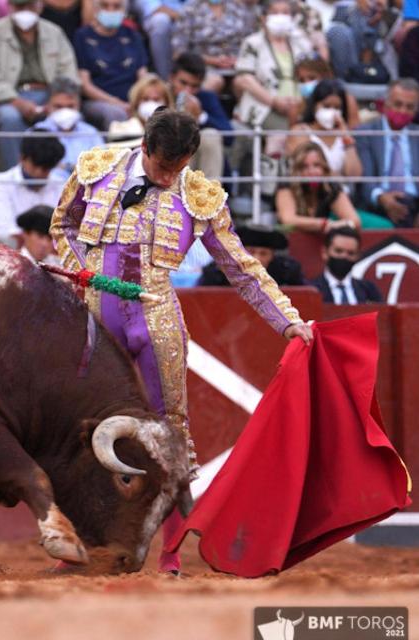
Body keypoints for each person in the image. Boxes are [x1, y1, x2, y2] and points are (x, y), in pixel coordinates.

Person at [50, 108, 312, 575]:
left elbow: (242, 268)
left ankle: (170, 554)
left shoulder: (200, 195)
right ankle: (82, 544)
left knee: (170, 432)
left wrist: (288, 321)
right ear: (144, 148)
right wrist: (82, 270)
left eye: (178, 167)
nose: (169, 176)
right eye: (161, 167)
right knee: (83, 427)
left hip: (156, 317)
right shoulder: (97, 166)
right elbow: (62, 225)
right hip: (96, 310)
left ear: (190, 156)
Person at [0, 0, 78, 168]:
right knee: (10, 118)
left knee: (65, 115)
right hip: (7, 98)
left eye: (30, 6)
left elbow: (68, 72)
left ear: (40, 6)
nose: (25, 11)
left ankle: (64, 173)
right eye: (20, 7)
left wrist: (54, 102)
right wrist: (16, 101)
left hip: (50, 95)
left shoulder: (54, 32)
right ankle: (18, 172)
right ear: (9, 7)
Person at [233, 0, 313, 155]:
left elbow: (314, 74)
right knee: (281, 136)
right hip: (263, 107)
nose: (281, 17)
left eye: (285, 12)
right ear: (263, 17)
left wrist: (301, 101)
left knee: (307, 133)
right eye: (275, 12)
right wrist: (274, 101)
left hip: (299, 105)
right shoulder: (253, 43)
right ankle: (272, 177)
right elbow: (244, 78)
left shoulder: (301, 43)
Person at [73, 0, 149, 130]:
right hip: (98, 101)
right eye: (105, 5)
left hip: (132, 100)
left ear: (124, 10)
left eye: (116, 6)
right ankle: (117, 150)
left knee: (152, 109)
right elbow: (85, 85)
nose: (111, 10)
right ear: (96, 8)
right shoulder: (82, 36)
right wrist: (115, 102)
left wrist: (138, 102)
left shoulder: (133, 35)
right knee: (115, 113)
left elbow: (143, 76)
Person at [355, 78, 419, 228]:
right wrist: (381, 198)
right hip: (377, 203)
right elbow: (365, 178)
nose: (403, 111)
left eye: (409, 107)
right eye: (398, 104)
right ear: (385, 104)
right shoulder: (365, 132)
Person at [0, 136, 65, 245]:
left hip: (51, 254)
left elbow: (65, 230)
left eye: (45, 169)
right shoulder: (0, 184)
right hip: (7, 254)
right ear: (22, 158)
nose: (39, 173)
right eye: (35, 166)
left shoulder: (61, 185)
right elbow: (3, 232)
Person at [171, 0, 257, 93]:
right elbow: (179, 52)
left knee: (245, 83)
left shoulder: (239, 7)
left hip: (238, 65)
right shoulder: (190, 9)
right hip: (204, 66)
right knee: (214, 82)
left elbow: (252, 42)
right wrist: (212, 60)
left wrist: (239, 59)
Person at [275, 142, 363, 232]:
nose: (311, 172)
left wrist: (337, 225)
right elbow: (288, 220)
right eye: (304, 167)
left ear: (324, 168)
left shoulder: (331, 187)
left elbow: (355, 221)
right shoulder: (287, 185)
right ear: (297, 170)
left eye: (316, 165)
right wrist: (324, 224)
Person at [169, 53, 231, 178]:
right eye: (183, 83)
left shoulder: (206, 98)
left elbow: (230, 136)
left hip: (200, 166)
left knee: (210, 135)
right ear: (171, 78)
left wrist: (201, 116)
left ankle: (211, 195)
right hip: (168, 162)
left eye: (194, 86)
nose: (188, 91)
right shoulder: (159, 94)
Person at [284, 79, 361, 178]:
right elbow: (306, 169)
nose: (332, 112)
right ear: (314, 105)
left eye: (337, 108)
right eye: (327, 106)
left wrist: (346, 137)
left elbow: (354, 175)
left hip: (341, 192)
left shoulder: (344, 136)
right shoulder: (299, 132)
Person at [31, 77, 104, 177]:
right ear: (47, 106)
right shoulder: (35, 134)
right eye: (58, 106)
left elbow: (101, 167)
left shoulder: (91, 133)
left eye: (70, 106)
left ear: (79, 105)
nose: (65, 111)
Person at [198, 224, 305, 286]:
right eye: (251, 252)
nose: (256, 258)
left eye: (263, 253)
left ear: (272, 256)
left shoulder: (287, 272)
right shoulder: (218, 272)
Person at [326, 0, 398, 83]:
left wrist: (386, 8)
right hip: (350, 64)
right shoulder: (348, 9)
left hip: (381, 66)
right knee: (340, 31)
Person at [310, 226, 383, 304]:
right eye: (338, 251)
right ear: (325, 252)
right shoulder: (312, 290)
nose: (344, 256)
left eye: (350, 253)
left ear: (357, 256)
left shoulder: (369, 290)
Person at [107, 73, 171, 146]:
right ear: (136, 103)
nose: (150, 104)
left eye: (156, 100)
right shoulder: (120, 129)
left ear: (167, 103)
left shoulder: (174, 131)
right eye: (145, 99)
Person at [295, 57, 360, 128]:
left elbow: (354, 130)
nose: (306, 83)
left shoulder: (346, 99)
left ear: (325, 76)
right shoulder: (298, 105)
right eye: (301, 80)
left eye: (312, 78)